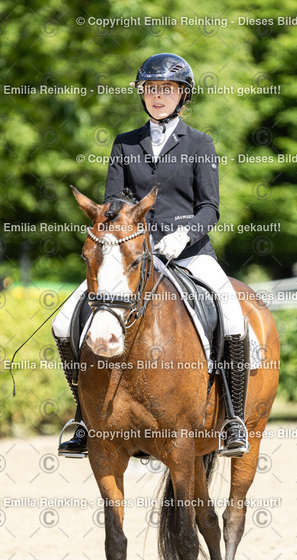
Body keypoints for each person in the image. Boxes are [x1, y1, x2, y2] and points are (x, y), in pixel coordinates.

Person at [53, 53, 249, 457]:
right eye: (151, 89)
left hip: (188, 253)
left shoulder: (200, 143)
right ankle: (84, 418)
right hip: (131, 254)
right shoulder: (125, 143)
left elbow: (209, 208)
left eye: (167, 90)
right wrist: (119, 234)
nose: (158, 96)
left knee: (232, 314)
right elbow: (113, 203)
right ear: (142, 94)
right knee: (62, 322)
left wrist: (183, 235)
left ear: (182, 96)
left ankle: (233, 419)